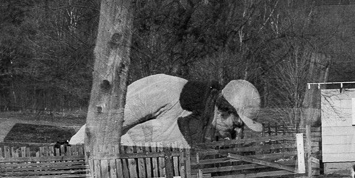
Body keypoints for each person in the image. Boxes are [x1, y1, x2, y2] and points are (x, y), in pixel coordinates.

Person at [69, 74, 262, 148]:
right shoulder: (168, 90)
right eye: (236, 125)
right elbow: (104, 124)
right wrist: (72, 157)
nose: (237, 134)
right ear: (223, 110)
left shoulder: (206, 133)